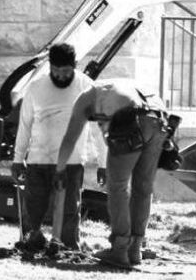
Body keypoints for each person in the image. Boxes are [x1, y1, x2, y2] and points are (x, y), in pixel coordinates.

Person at [55, 80, 177, 267]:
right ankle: (135, 249)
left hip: (133, 119)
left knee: (117, 186)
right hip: (160, 120)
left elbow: (71, 137)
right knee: (143, 187)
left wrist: (60, 168)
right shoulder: (118, 89)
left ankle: (119, 250)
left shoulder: (85, 98)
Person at [11, 43, 106, 251]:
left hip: (72, 163)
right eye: (56, 71)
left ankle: (68, 247)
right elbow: (25, 125)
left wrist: (103, 163)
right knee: (33, 206)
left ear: (75, 66)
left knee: (70, 209)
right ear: (50, 67)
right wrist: (18, 159)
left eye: (66, 72)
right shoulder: (35, 87)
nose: (61, 77)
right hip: (38, 160)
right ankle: (31, 241)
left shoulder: (87, 87)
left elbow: (98, 130)